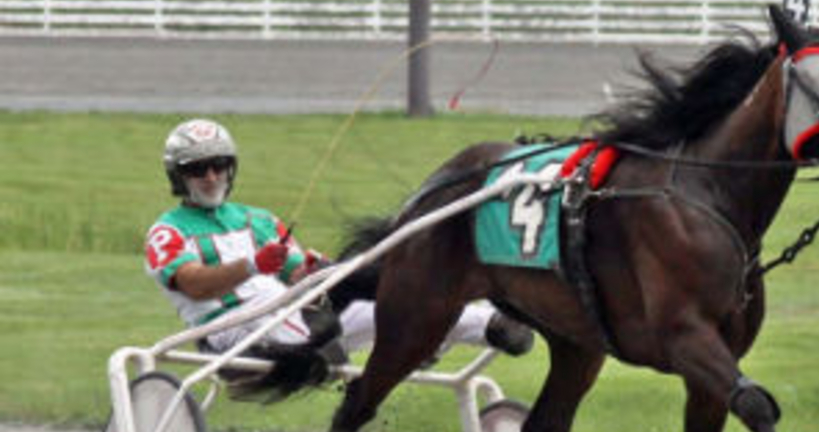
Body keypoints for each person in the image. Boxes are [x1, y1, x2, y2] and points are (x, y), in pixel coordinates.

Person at [145, 118, 533, 360]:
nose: (211, 177)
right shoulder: (168, 231)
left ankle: (492, 326)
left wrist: (313, 270)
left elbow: (298, 275)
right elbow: (193, 284)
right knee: (287, 305)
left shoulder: (256, 219)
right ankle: (352, 347)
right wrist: (253, 266)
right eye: (198, 170)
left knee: (401, 302)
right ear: (178, 176)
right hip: (229, 328)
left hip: (291, 313)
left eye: (219, 166)